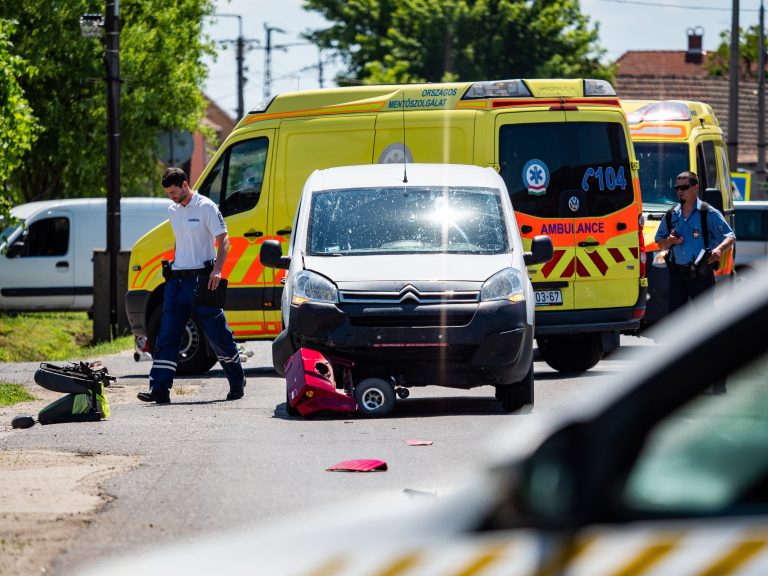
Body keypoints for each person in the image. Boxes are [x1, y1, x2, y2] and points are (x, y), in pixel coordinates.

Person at [138, 167, 245, 404]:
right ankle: (159, 389)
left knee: (219, 335)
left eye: (174, 192)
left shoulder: (206, 206)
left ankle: (237, 382)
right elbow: (181, 241)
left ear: (185, 184)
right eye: (168, 193)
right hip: (176, 282)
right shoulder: (173, 210)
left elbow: (224, 240)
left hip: (202, 280)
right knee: (166, 336)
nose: (172, 197)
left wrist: (217, 269)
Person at [655, 171, 735, 393]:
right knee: (675, 327)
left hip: (700, 276)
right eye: (677, 187)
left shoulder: (707, 213)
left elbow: (730, 235)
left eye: (684, 186)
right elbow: (660, 244)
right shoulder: (672, 215)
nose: (680, 191)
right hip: (678, 277)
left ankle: (718, 380)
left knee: (706, 327)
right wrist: (669, 241)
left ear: (695, 187)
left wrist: (719, 249)